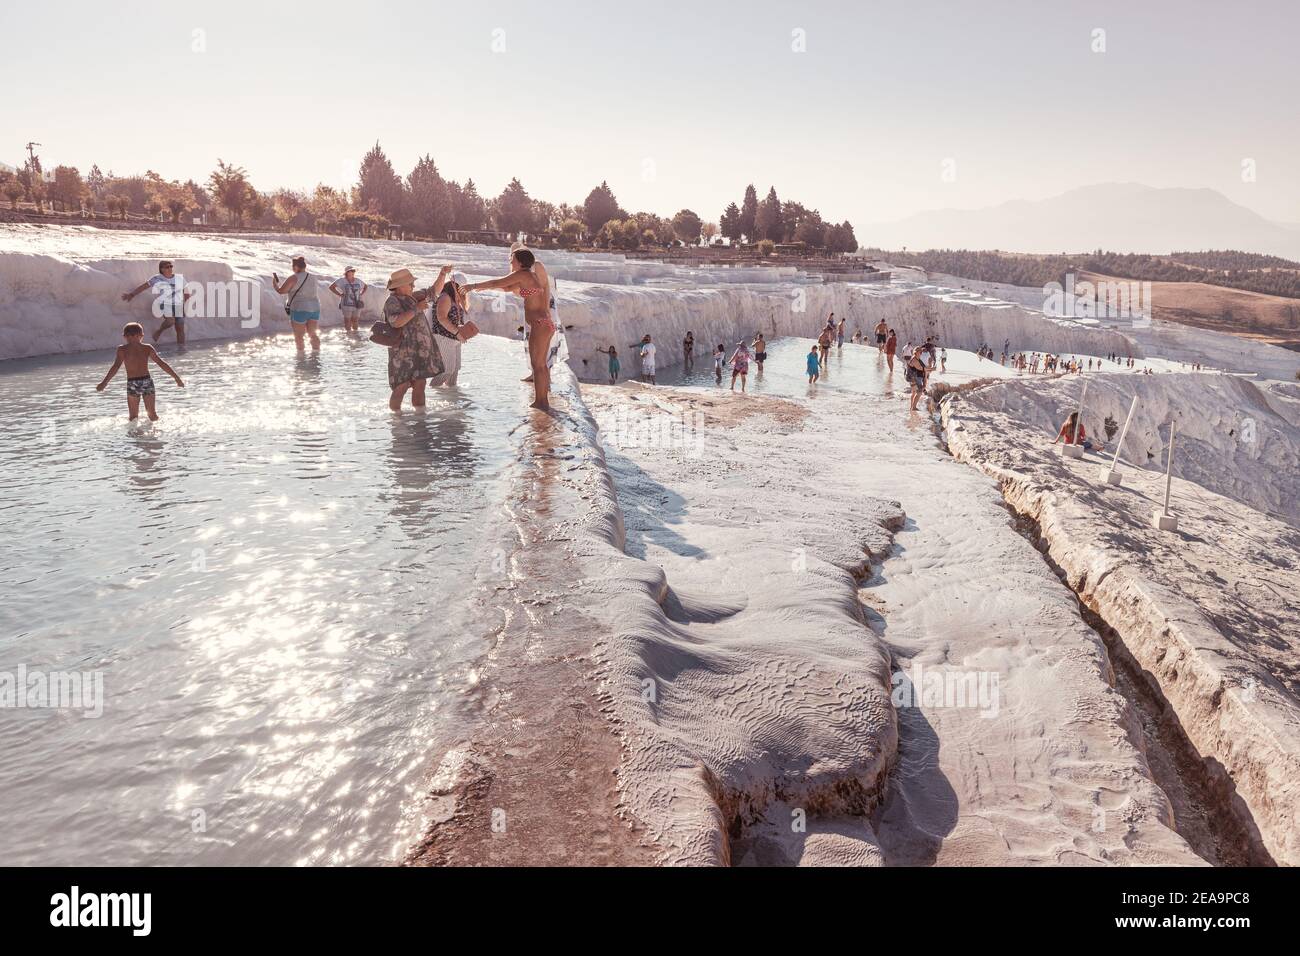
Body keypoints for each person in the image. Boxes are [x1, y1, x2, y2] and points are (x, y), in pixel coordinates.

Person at [462, 249, 555, 409]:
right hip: (545, 323)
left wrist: (473, 286)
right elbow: (505, 288)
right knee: (541, 365)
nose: (510, 263)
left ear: (520, 262)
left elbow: (497, 282)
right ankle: (542, 400)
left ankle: (541, 402)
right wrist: (484, 288)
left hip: (540, 324)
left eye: (512, 260)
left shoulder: (523, 275)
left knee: (537, 365)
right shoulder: (529, 276)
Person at [382, 268, 444, 411]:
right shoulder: (392, 301)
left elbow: (434, 291)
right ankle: (396, 420)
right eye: (410, 284)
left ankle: (420, 417)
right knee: (401, 386)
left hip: (419, 351)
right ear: (399, 286)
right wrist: (416, 308)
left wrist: (442, 274)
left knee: (420, 383)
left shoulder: (414, 297)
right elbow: (396, 322)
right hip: (402, 352)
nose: (413, 286)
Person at [96, 321, 184, 420]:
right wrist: (176, 378)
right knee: (152, 415)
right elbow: (161, 363)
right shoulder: (147, 348)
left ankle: (134, 435)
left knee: (133, 417)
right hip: (147, 381)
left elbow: (115, 367)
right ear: (141, 335)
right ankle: (155, 434)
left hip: (132, 383)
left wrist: (104, 383)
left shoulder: (122, 349)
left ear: (125, 336)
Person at [429, 269, 480, 387]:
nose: (464, 292)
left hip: (454, 337)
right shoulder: (445, 297)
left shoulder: (454, 299)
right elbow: (441, 318)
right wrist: (458, 333)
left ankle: (452, 398)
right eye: (462, 289)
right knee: (447, 370)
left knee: (455, 369)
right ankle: (432, 393)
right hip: (444, 337)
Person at [122, 260, 191, 345]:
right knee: (170, 321)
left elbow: (186, 291)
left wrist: (185, 302)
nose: (170, 268)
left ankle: (181, 350)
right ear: (162, 269)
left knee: (180, 329)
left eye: (171, 266)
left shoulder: (179, 278)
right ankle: (159, 331)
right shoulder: (157, 278)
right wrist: (132, 294)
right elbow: (144, 286)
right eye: (167, 267)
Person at [272, 256, 321, 351]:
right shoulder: (314, 277)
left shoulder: (294, 278)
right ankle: (316, 357)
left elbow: (281, 291)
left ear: (296, 267)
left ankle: (301, 360)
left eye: (292, 266)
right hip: (315, 308)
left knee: (299, 336)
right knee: (313, 334)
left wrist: (274, 283)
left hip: (300, 309)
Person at [328, 267, 368, 333]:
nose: (352, 272)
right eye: (350, 271)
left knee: (355, 320)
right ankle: (349, 335)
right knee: (347, 320)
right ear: (346, 272)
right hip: (346, 304)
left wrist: (361, 294)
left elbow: (365, 286)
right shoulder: (341, 280)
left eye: (353, 271)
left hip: (357, 303)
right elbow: (331, 287)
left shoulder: (358, 280)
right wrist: (340, 294)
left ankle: (355, 334)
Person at [906, 346, 928, 411]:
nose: (921, 353)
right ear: (916, 352)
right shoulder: (914, 359)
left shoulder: (918, 359)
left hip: (914, 377)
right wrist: (931, 369)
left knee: (914, 392)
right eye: (919, 352)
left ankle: (912, 407)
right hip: (913, 378)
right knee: (919, 392)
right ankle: (913, 407)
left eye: (921, 352)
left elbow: (923, 368)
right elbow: (921, 368)